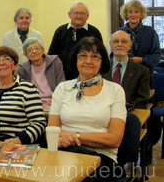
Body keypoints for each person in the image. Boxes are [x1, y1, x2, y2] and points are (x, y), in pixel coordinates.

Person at [48, 37, 127, 182]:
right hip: (65, 153)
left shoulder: (115, 90)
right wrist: (60, 140)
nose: (88, 61)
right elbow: (52, 131)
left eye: (95, 57)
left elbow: (114, 139)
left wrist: (73, 136)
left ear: (102, 62)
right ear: (76, 60)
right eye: (83, 55)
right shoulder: (62, 88)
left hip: (101, 158)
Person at [48, 1, 103, 80]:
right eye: (76, 13)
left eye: (82, 13)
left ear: (87, 16)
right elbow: (52, 55)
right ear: (69, 14)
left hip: (88, 77)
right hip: (62, 77)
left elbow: (99, 56)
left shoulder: (94, 32)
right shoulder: (60, 31)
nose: (79, 16)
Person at [104, 30, 149, 110]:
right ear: (111, 45)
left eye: (124, 41)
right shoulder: (101, 68)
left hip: (129, 114)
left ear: (130, 45)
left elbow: (142, 100)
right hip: (103, 113)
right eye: (116, 41)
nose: (120, 44)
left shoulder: (142, 71)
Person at [117, 0, 160, 80]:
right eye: (130, 12)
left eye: (136, 12)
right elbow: (112, 55)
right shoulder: (119, 32)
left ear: (141, 14)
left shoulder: (150, 32)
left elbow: (156, 55)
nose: (133, 15)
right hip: (123, 75)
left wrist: (142, 60)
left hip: (145, 75)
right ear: (126, 14)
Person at [17, 37, 65, 103]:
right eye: (29, 50)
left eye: (36, 48)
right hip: (33, 103)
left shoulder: (55, 62)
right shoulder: (23, 69)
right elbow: (22, 91)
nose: (34, 51)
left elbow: (62, 84)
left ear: (43, 50)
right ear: (26, 55)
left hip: (55, 101)